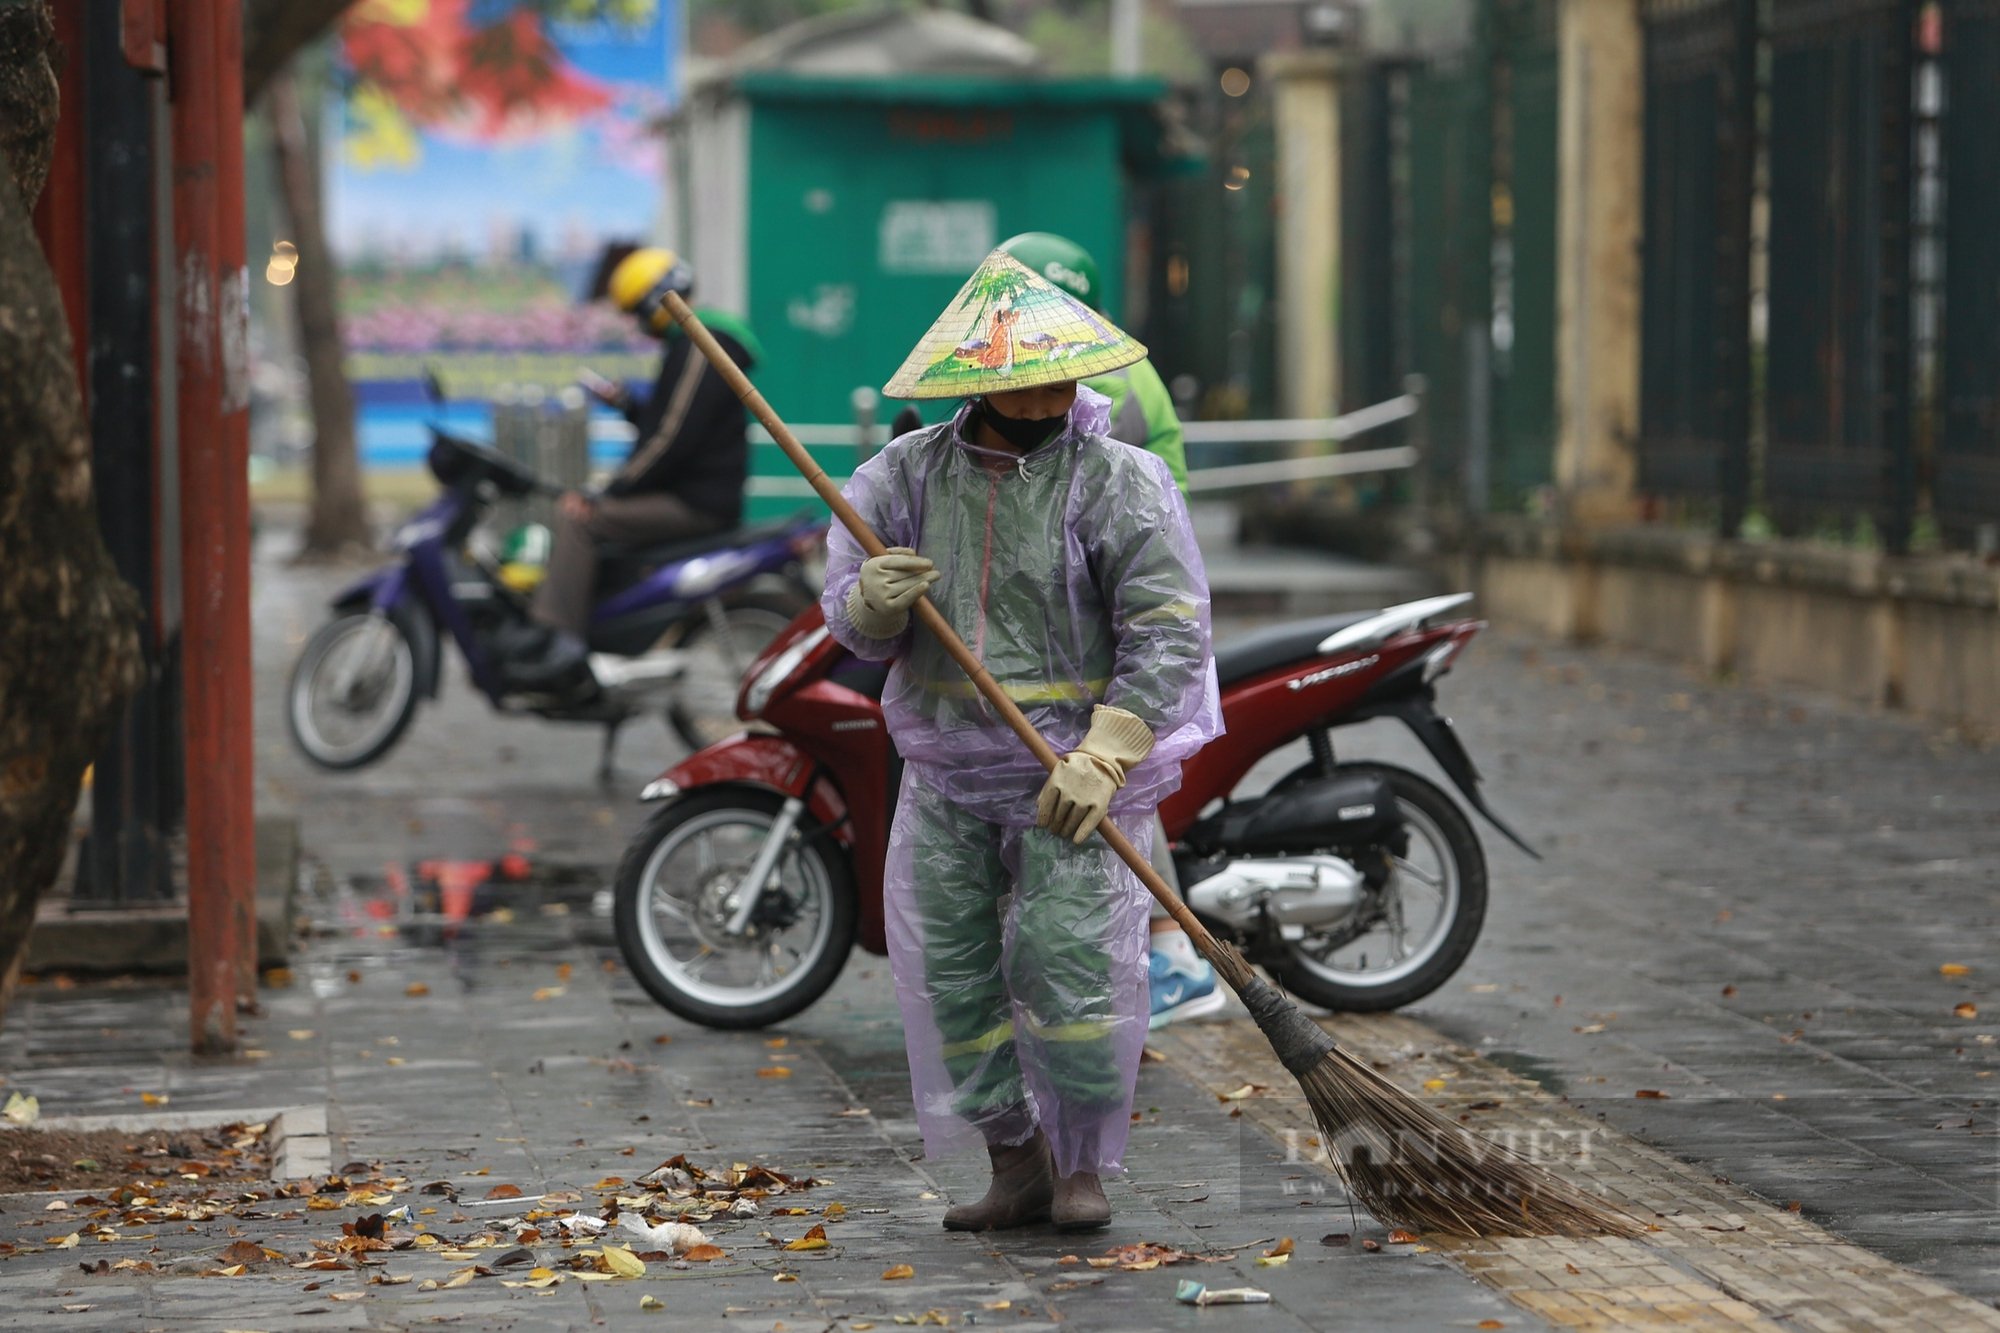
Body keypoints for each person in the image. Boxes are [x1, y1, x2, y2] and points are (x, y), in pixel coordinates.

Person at [822, 249, 1220, 1232]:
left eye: (1060, 375)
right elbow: (849, 617)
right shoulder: (901, 478)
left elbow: (1168, 625)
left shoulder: (1121, 482)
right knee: (951, 969)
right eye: (1025, 377)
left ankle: (1082, 1160)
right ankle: (1014, 1158)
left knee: (1068, 961)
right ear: (978, 381)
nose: (1048, 394)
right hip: (949, 767)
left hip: (1071, 773)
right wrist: (867, 608)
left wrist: (1107, 750)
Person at [999, 232, 1220, 1029]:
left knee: (1111, 765)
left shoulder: (1096, 377)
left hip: (1113, 603)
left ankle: (1166, 951)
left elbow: (1080, 499)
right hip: (1124, 589)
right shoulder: (1125, 364)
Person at [516, 247, 760, 682]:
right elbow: (670, 428)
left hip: (695, 502)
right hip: (688, 492)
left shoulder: (701, 343)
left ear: (654, 301)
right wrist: (628, 404)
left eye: (636, 313)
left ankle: (558, 641)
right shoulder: (690, 343)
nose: (637, 324)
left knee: (581, 520)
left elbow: (669, 441)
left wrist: (606, 493)